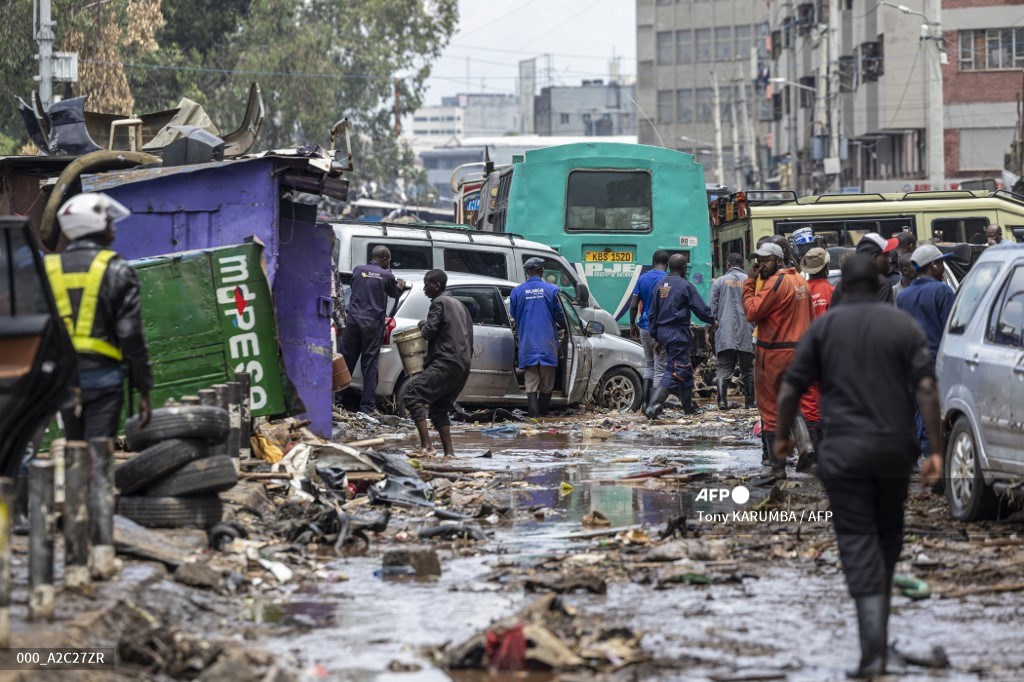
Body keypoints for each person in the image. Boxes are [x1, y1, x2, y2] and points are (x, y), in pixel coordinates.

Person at [774, 254, 943, 679]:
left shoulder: (824, 328)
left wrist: (782, 437)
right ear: (880, 284)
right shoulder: (902, 325)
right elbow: (926, 387)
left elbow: (792, 386)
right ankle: (879, 644)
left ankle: (873, 653)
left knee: (857, 543)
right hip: (894, 453)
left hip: (844, 455)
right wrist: (936, 451)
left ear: (844, 288)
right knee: (888, 539)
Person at [46, 192, 152, 439]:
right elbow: (131, 333)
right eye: (109, 222)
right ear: (96, 225)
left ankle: (78, 478)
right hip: (103, 378)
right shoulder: (117, 268)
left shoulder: (47, 269)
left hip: (61, 379)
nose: (113, 229)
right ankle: (98, 478)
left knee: (75, 448)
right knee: (99, 451)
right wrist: (144, 388)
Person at [742, 242, 814, 475]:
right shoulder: (801, 282)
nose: (760, 265)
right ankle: (805, 447)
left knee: (770, 410)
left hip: (774, 353)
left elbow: (752, 312)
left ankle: (777, 466)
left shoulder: (776, 282)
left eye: (766, 260)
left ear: (779, 261)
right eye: (759, 260)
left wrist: (749, 283)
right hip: (798, 351)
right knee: (790, 403)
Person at [403, 270, 474, 456]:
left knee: (412, 394)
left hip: (446, 361)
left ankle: (427, 446)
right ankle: (449, 453)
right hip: (463, 366)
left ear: (436, 285)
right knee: (438, 409)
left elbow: (428, 332)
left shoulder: (439, 303)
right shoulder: (460, 305)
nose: (425, 288)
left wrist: (421, 325)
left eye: (427, 284)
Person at [897, 243, 955, 460]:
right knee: (935, 409)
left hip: (911, 362)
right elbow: (950, 330)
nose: (942, 267)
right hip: (936, 361)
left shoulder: (903, 295)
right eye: (941, 263)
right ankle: (933, 455)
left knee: (920, 408)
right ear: (933, 265)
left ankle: (926, 451)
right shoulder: (942, 290)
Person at [645, 254, 715, 418]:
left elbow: (652, 313)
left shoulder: (659, 285)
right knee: (676, 369)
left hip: (663, 331)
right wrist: (712, 320)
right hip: (677, 332)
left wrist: (656, 336)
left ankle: (689, 407)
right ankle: (653, 407)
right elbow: (701, 309)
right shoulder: (685, 286)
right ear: (684, 268)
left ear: (669, 267)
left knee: (686, 369)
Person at [341, 246, 406, 414]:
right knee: (369, 365)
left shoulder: (358, 270)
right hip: (372, 324)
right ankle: (367, 407)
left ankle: (336, 401)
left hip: (353, 321)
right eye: (389, 260)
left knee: (346, 361)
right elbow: (395, 293)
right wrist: (399, 285)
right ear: (385, 259)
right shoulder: (387, 275)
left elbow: (356, 287)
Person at [509, 257, 565, 417]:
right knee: (547, 387)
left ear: (527, 273)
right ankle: (542, 423)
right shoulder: (551, 290)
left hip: (527, 346)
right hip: (547, 346)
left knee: (531, 386)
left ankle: (534, 423)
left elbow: (513, 314)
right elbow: (560, 316)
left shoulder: (517, 292)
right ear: (542, 271)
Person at [798, 246, 834, 452]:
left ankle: (812, 446)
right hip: (826, 352)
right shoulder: (831, 291)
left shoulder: (799, 289)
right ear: (826, 268)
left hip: (802, 350)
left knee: (809, 399)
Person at [709, 252, 754, 410]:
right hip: (747, 331)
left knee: (723, 368)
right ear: (742, 264)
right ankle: (749, 402)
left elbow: (712, 309)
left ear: (728, 265)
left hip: (724, 331)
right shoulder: (750, 281)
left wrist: (710, 330)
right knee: (747, 369)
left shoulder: (719, 282)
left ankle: (722, 401)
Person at [629, 250, 669, 411]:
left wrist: (633, 324)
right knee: (660, 367)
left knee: (650, 365)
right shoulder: (667, 279)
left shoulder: (642, 278)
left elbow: (633, 305)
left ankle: (645, 403)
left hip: (644, 327)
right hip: (661, 328)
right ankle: (656, 405)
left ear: (653, 262)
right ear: (667, 263)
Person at [832, 233, 897, 306]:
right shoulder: (882, 284)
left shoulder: (842, 284)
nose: (888, 261)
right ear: (875, 257)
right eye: (885, 256)